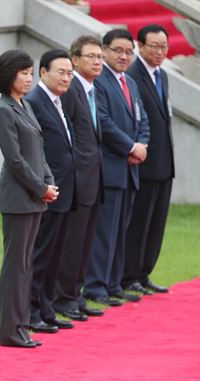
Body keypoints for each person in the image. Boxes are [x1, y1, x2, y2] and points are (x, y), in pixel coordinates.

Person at [0, 50, 58, 348]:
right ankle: (10, 329)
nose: (29, 78)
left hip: (34, 195)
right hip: (18, 196)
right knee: (15, 264)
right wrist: (39, 187)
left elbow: (39, 151)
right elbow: (15, 160)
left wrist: (49, 181)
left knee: (26, 263)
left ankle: (22, 324)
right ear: (9, 75)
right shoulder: (3, 110)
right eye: (24, 73)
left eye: (31, 72)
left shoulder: (25, 105)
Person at [84, 29, 150, 306]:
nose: (124, 56)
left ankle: (113, 283)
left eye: (128, 51)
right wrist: (130, 147)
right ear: (105, 50)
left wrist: (141, 144)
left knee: (120, 230)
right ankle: (96, 286)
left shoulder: (130, 82)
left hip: (130, 169)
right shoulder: (99, 82)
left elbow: (142, 118)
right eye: (117, 50)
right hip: (110, 167)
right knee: (104, 231)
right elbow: (104, 122)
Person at [54, 35, 106, 320]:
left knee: (86, 242)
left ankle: (76, 293)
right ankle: (64, 297)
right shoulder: (71, 89)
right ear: (74, 60)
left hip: (93, 178)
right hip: (76, 180)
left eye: (100, 56)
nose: (97, 61)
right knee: (72, 243)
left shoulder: (93, 89)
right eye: (91, 56)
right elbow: (69, 136)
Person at [25, 49, 76, 333]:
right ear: (42, 72)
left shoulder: (59, 101)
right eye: (61, 72)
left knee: (55, 255)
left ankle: (47, 307)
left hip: (64, 190)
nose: (66, 77)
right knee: (40, 254)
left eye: (70, 73)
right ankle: (32, 310)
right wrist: (43, 184)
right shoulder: (35, 101)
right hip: (46, 190)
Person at [123, 24, 174, 295]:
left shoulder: (162, 76)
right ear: (140, 46)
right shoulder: (132, 76)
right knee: (139, 222)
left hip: (165, 163)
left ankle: (144, 273)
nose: (159, 51)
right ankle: (129, 274)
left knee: (156, 223)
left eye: (164, 46)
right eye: (153, 46)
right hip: (143, 163)